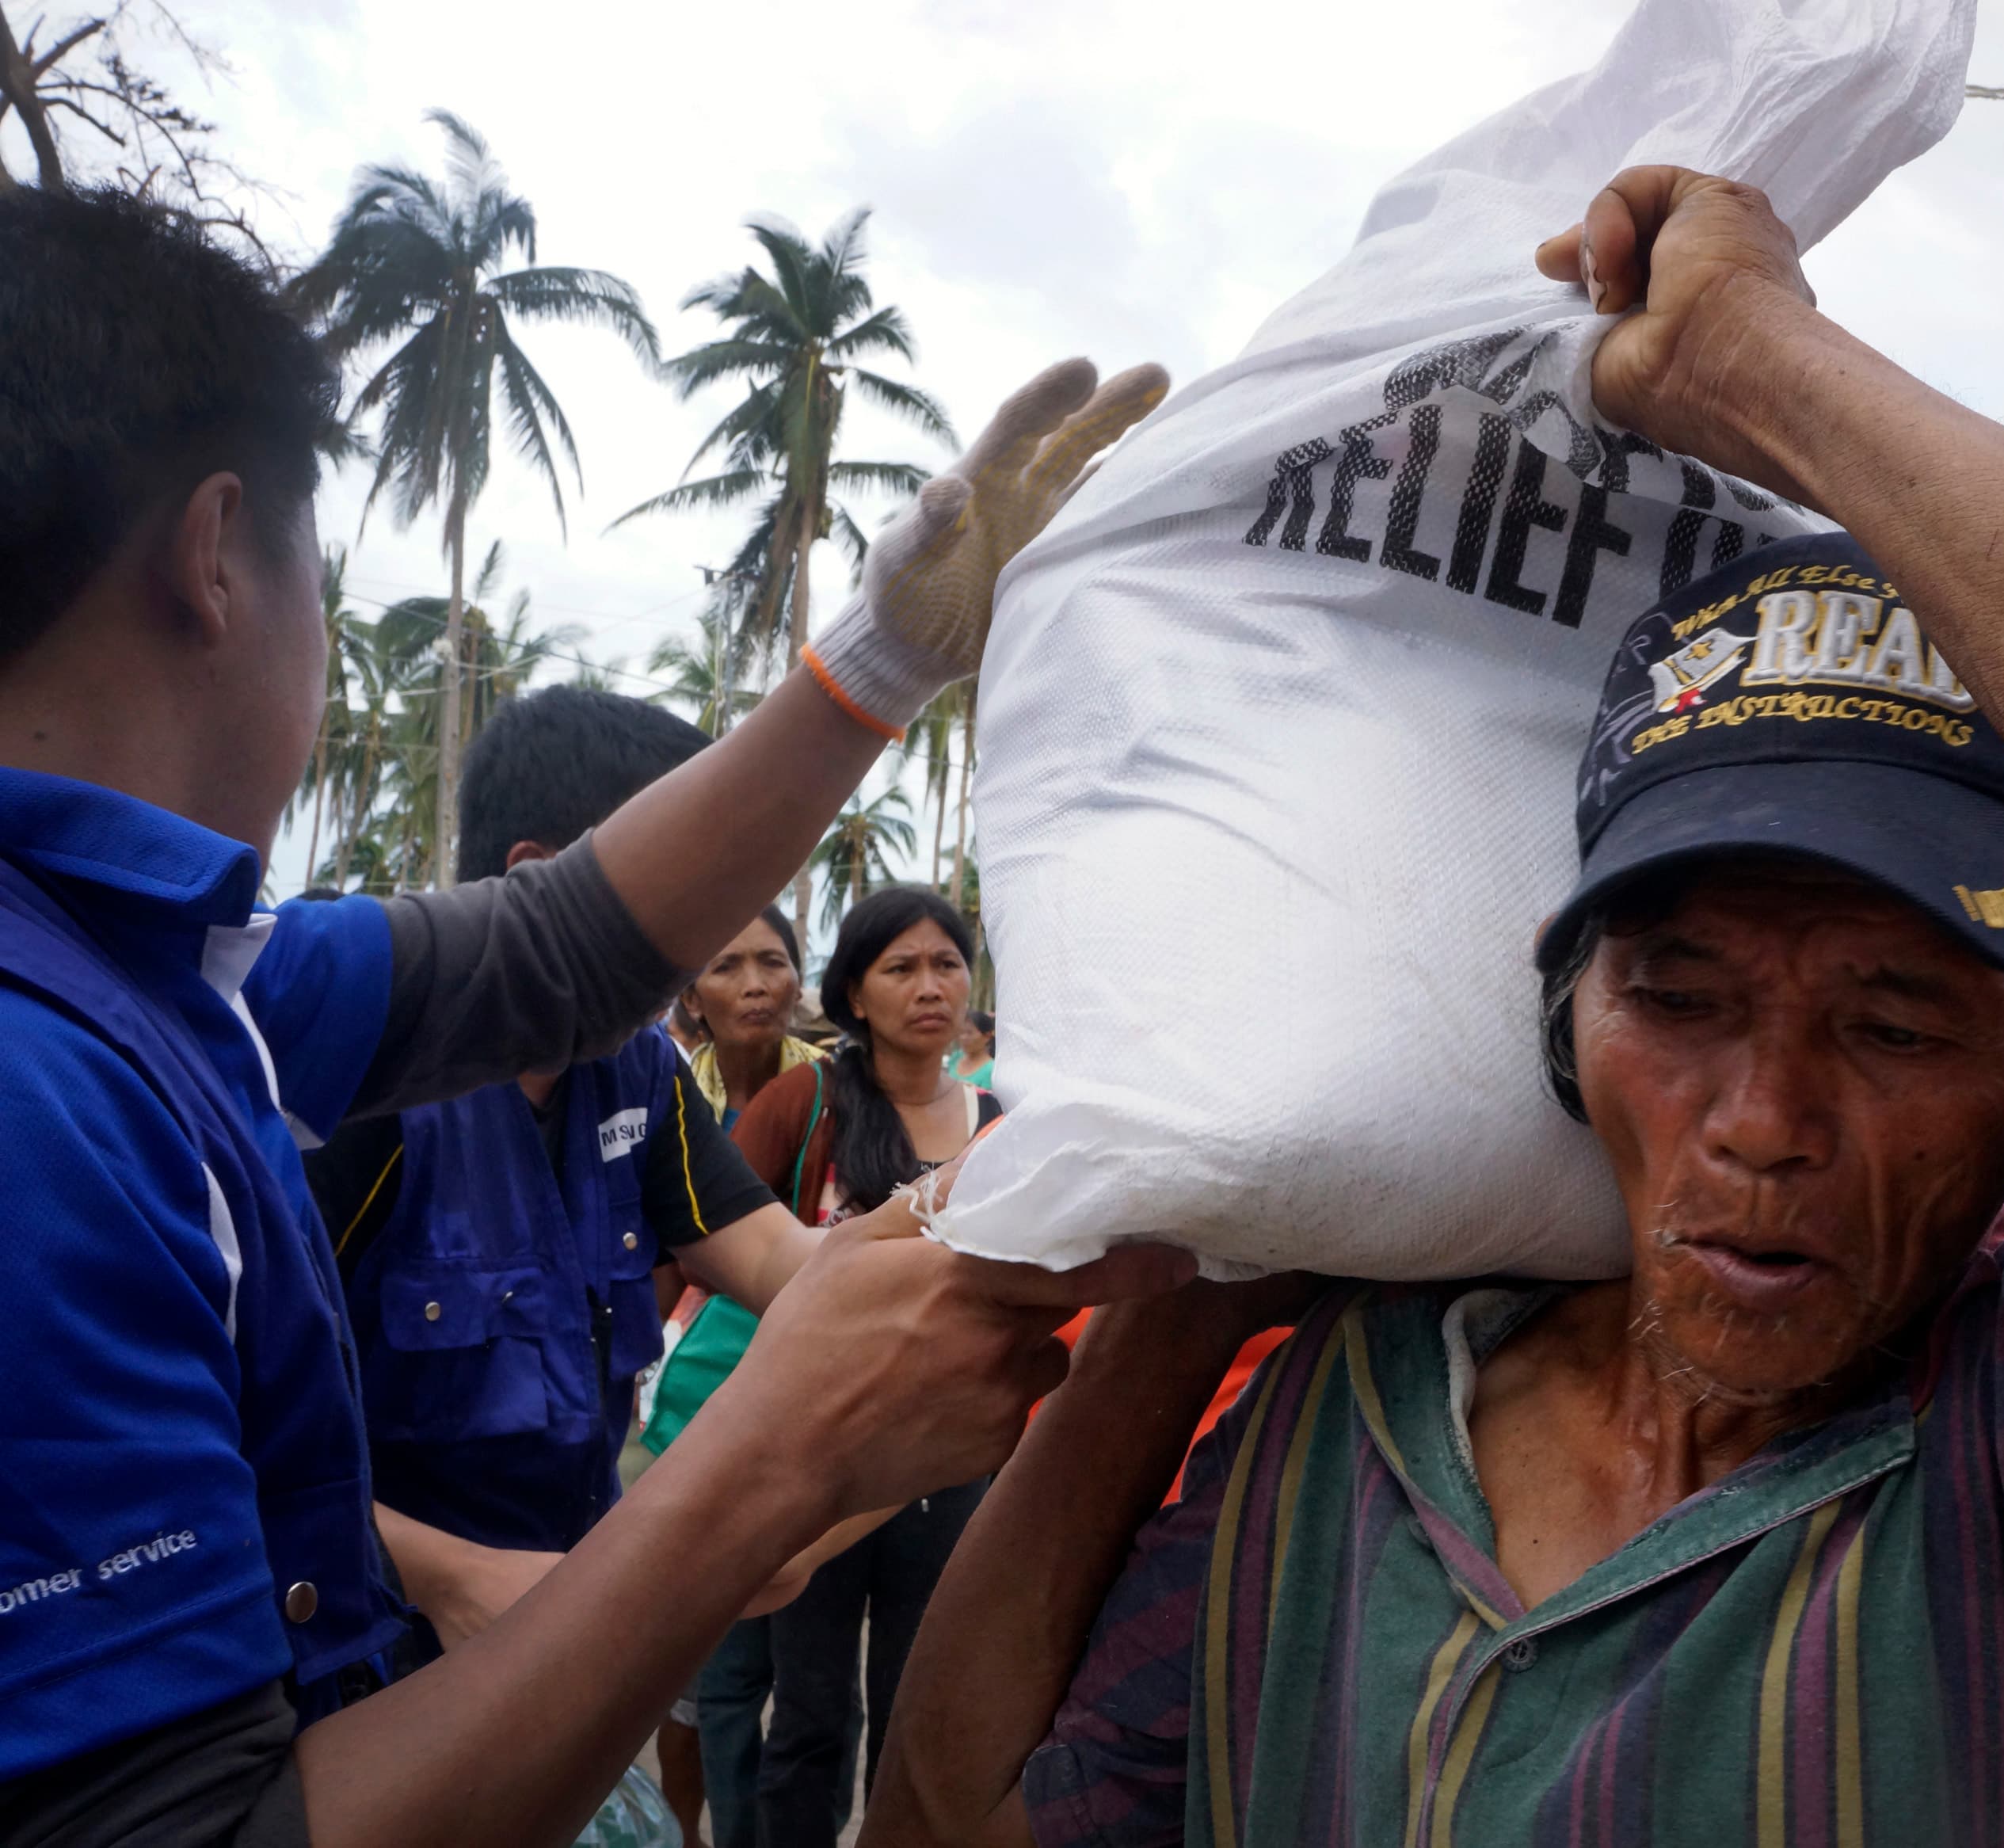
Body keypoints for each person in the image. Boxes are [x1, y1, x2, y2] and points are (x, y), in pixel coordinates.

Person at [860, 166, 2004, 1848]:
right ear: (1570, 1027)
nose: (1761, 1119)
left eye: (1895, 1023)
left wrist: (1744, 353)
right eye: (1677, 993)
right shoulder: (1351, 1403)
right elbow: (962, 1807)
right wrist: (1194, 1290)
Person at [0, 184, 1180, 1844]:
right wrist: (758, 1468)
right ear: (214, 558)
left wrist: (875, 667)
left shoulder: (179, 975)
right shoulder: (39, 1094)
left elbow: (559, 948)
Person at [306, 690, 832, 1654]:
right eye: (692, 893)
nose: (702, 953)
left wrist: (966, 1219)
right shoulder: (355, 1098)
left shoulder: (637, 1069)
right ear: (548, 883)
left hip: (571, 1607)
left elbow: (782, 1260)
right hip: (376, 1635)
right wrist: (449, 1577)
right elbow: (234, 1446)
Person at [723, 886, 1000, 1847]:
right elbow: (715, 1249)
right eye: (901, 967)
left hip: (956, 1467)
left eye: (947, 964)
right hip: (820, 1460)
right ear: (854, 992)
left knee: (919, 1707)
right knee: (808, 1712)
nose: (930, 986)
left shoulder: (1000, 1122)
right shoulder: (803, 1103)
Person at [658, 900, 824, 1845]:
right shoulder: (665, 1101)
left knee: (801, 1671)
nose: (756, 982)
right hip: (684, 1410)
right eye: (728, 964)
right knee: (699, 1679)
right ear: (693, 992)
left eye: (773, 961)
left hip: (806, 1408)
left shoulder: (838, 1097)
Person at [686, 906, 823, 1124]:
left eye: (773, 963)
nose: (755, 986)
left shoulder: (840, 1091)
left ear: (799, 986)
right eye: (725, 968)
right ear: (692, 1000)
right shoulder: (673, 1101)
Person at [953, 1008, 997, 1090]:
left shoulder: (992, 1070)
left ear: (987, 1036)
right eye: (961, 1032)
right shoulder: (955, 1058)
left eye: (970, 1033)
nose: (963, 1037)